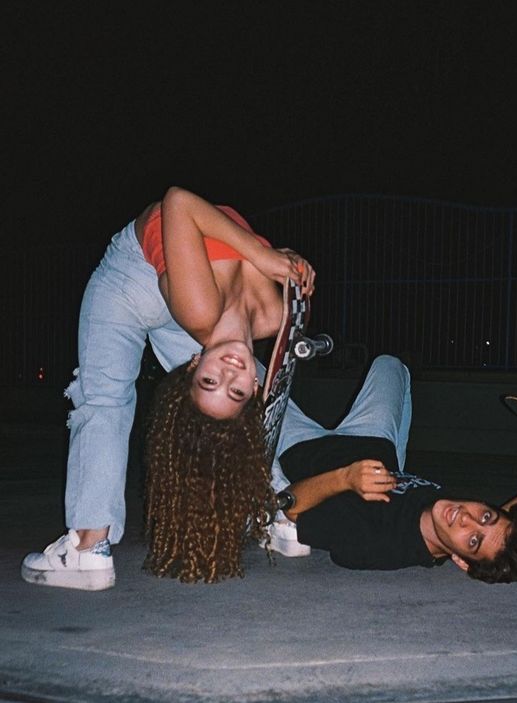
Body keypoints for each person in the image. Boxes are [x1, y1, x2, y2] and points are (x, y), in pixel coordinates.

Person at [21, 187, 315, 590]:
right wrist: (288, 262)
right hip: (182, 284)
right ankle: (276, 507)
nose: (229, 373)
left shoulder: (200, 313)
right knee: (220, 420)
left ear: (194, 362)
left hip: (132, 276)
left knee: (104, 396)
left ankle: (87, 548)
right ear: (254, 387)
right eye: (236, 390)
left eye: (211, 380)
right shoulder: (274, 316)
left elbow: (177, 201)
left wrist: (264, 256)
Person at [265, 355, 517, 583]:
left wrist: (345, 478)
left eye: (472, 541)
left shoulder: (377, 543)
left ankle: (270, 518)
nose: (466, 518)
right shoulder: (462, 532)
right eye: (485, 516)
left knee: (241, 369)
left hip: (302, 450)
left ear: (460, 561)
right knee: (391, 366)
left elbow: (293, 504)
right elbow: (498, 531)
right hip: (373, 441)